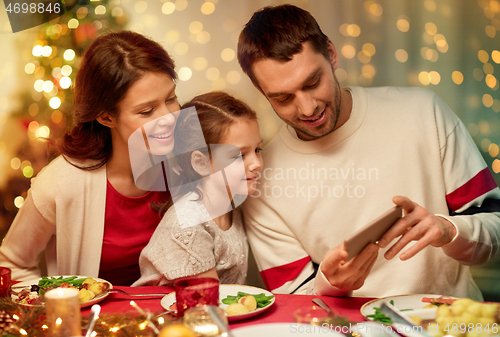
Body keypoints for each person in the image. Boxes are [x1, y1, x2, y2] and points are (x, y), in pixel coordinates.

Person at [237, 4, 500, 299]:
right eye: (283, 98)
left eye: (313, 82)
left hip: (453, 324)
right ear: (262, 93)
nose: (307, 108)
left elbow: (495, 228)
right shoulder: (261, 178)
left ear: (331, 54)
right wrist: (329, 284)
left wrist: (449, 230)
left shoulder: (423, 112)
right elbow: (293, 302)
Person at [0, 31, 180, 285]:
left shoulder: (191, 160)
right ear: (106, 117)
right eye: (147, 111)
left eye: (171, 99)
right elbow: (11, 265)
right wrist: (60, 306)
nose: (169, 118)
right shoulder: (60, 183)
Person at [133, 91, 263, 286]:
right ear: (201, 163)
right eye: (239, 156)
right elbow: (206, 305)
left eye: (257, 150)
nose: (257, 164)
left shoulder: (231, 207)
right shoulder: (188, 226)